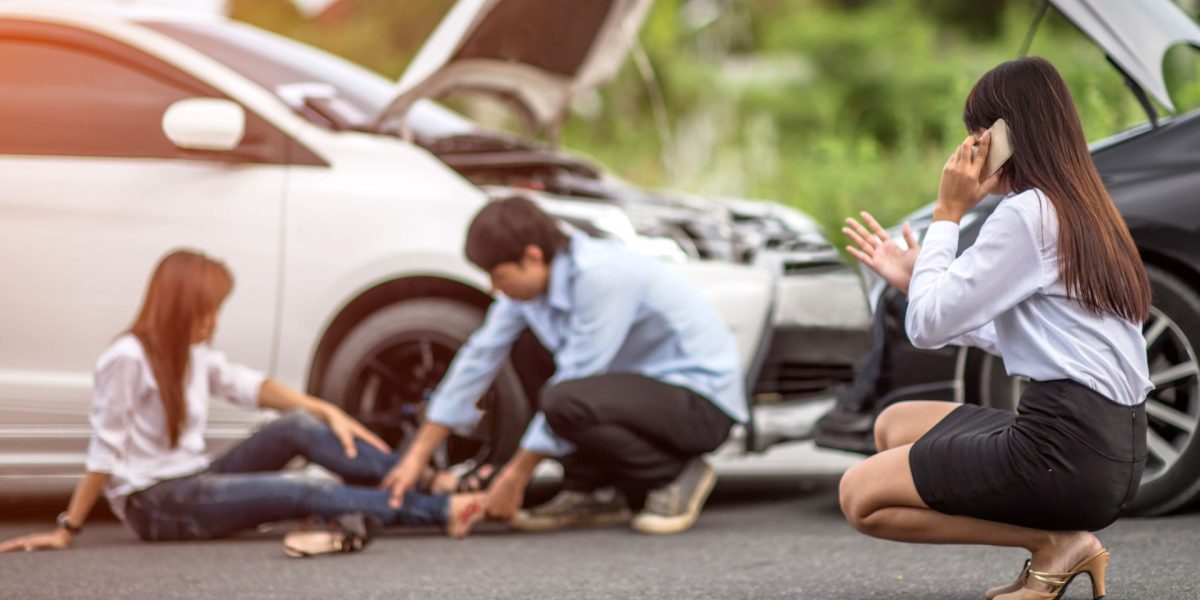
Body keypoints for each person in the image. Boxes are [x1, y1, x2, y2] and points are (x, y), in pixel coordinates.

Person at [836, 57, 1150, 600]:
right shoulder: (1083, 207)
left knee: (860, 495)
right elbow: (1019, 333)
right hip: (1112, 447)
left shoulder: (1028, 213)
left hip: (1064, 451)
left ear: (1006, 133)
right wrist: (918, 282)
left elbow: (928, 329)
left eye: (977, 133)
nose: (971, 148)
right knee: (894, 424)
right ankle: (1061, 539)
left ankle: (1056, 541)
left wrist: (946, 214)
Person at [0, 250, 483, 556]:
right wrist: (66, 528)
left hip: (194, 479)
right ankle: (440, 508)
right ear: (177, 309)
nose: (211, 322)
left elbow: (254, 387)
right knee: (301, 491)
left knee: (295, 426)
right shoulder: (127, 359)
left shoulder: (190, 353)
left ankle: (429, 480)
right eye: (205, 312)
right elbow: (103, 453)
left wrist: (327, 411)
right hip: (158, 505)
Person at [381, 197, 746, 535]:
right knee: (525, 350)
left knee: (563, 398)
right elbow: (478, 358)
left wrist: (516, 476)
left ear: (532, 256)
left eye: (498, 275)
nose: (494, 288)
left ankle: (676, 475)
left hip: (700, 402)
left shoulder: (602, 276)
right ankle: (593, 490)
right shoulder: (528, 294)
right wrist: (416, 458)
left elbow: (579, 375)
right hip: (639, 393)